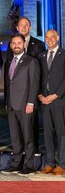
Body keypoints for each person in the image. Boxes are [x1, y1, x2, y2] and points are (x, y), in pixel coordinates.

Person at [2, 34, 40, 176]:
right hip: (12, 105)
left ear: (24, 44)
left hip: (25, 105)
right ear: (11, 45)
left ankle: (29, 165)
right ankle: (16, 163)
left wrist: (31, 102)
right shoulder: (9, 62)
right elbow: (8, 84)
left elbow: (34, 84)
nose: (16, 45)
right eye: (14, 43)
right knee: (15, 136)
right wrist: (7, 102)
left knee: (28, 136)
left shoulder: (31, 61)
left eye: (19, 42)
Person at [6, 17, 45, 152]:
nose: (23, 27)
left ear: (30, 27)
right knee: (16, 132)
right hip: (15, 98)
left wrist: (34, 98)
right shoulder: (13, 49)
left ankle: (32, 157)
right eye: (21, 25)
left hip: (30, 96)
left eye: (26, 25)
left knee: (31, 129)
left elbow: (40, 73)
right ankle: (18, 159)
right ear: (17, 27)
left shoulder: (39, 45)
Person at [37, 30, 65, 175]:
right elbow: (39, 78)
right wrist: (40, 95)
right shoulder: (41, 56)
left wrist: (55, 95)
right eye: (47, 37)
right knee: (47, 133)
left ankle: (62, 164)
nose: (49, 40)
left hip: (59, 101)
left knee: (61, 133)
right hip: (45, 102)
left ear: (58, 38)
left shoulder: (63, 55)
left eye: (52, 37)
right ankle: (49, 163)